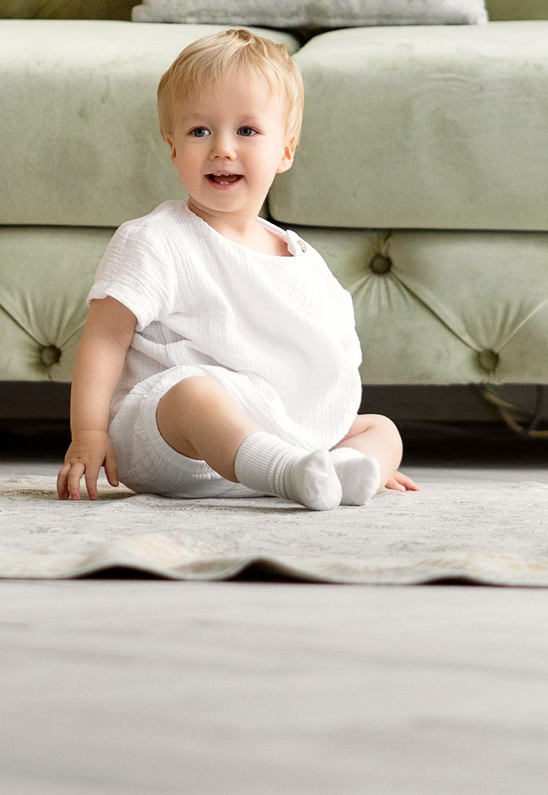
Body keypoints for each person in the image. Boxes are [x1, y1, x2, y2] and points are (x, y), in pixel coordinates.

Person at [57, 28, 414, 508]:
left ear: (285, 150)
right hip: (171, 441)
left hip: (276, 425)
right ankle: (288, 473)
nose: (222, 148)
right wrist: (89, 433)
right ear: (173, 147)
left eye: (246, 131)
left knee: (382, 429)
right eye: (199, 131)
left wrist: (333, 434)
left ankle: (343, 472)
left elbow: (333, 354)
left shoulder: (303, 262)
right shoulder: (156, 240)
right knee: (196, 393)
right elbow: (104, 338)